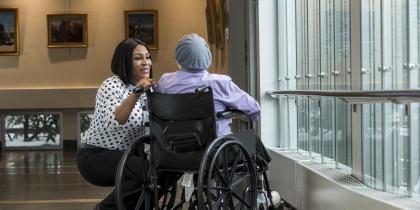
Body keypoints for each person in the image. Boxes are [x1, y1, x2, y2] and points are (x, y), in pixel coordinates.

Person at [156, 33, 271, 162]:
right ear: (207, 57)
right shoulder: (219, 83)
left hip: (175, 147)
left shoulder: (165, 82)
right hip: (215, 150)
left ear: (178, 57)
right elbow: (253, 107)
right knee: (253, 141)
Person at [76, 38, 155, 210]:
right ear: (124, 61)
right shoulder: (112, 85)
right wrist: (136, 92)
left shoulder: (150, 90)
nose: (145, 62)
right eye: (138, 58)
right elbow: (118, 119)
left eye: (148, 57)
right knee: (148, 174)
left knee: (160, 175)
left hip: (128, 155)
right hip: (96, 156)